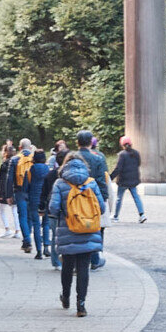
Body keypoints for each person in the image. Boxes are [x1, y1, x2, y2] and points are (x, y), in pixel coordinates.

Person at [48, 151, 105, 317]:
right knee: (83, 268)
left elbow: (53, 208)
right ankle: (81, 305)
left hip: (68, 230)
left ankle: (65, 297)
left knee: (67, 266)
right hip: (87, 229)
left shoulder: (60, 183)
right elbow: (101, 207)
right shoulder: (91, 183)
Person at [77, 131, 110, 270]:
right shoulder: (97, 159)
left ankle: (77, 258)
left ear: (77, 142)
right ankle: (94, 259)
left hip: (75, 198)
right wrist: (103, 199)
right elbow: (102, 182)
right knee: (93, 228)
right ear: (91, 142)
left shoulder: (71, 157)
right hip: (92, 198)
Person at [39, 149, 70, 270]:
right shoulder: (68, 175)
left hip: (52, 210)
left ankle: (56, 261)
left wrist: (41, 207)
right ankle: (65, 259)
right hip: (66, 209)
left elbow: (44, 192)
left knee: (54, 236)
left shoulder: (50, 174)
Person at [6, 138, 35, 252]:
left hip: (19, 191)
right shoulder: (34, 159)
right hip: (32, 191)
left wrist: (8, 195)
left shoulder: (14, 159)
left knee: (22, 216)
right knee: (30, 217)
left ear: (19, 147)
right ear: (30, 147)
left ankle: (27, 240)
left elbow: (9, 179)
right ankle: (27, 239)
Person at [110, 136, 147, 224]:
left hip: (123, 180)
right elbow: (138, 164)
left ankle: (116, 216)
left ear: (122, 144)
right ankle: (142, 215)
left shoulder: (122, 154)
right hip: (133, 179)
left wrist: (110, 177)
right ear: (131, 143)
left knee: (119, 198)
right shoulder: (136, 153)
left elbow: (118, 168)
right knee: (136, 197)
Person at [26, 149, 50, 259]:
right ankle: (46, 247)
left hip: (34, 198)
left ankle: (39, 251)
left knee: (36, 224)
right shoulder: (48, 169)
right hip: (45, 198)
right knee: (46, 223)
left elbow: (27, 185)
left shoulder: (32, 169)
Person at [0, 145, 20, 238]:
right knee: (15, 210)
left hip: (5, 189)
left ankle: (7, 229)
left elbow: (2, 180)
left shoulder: (5, 164)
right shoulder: (17, 162)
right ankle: (17, 230)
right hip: (15, 188)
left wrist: (1, 193)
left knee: (2, 210)